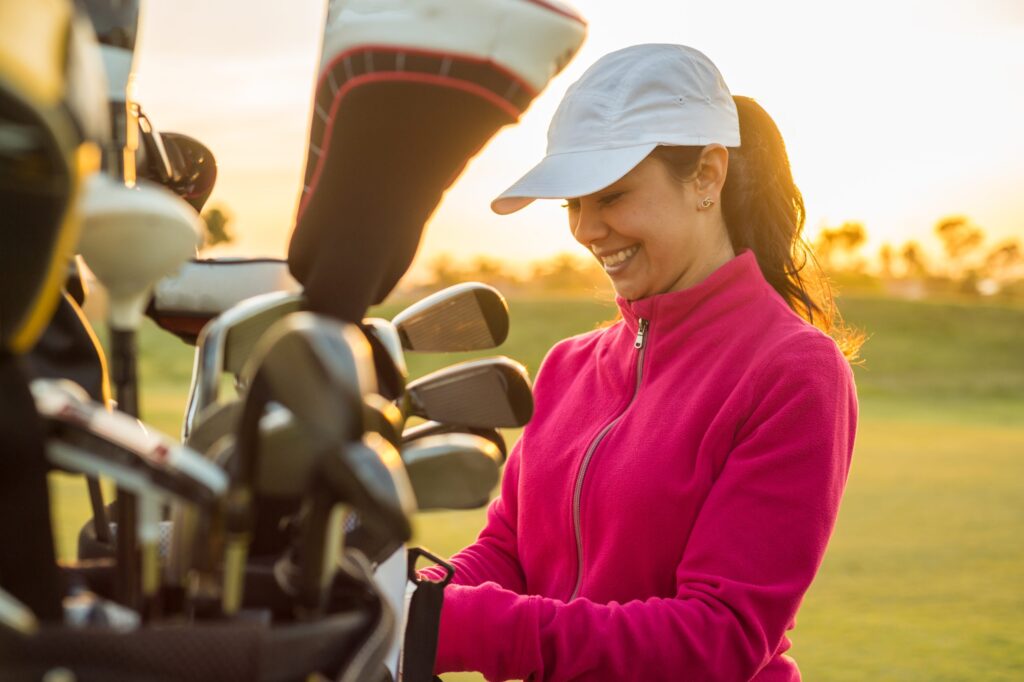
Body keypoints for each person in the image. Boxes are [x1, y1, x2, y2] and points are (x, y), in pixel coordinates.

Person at [418, 43, 860, 681]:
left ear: (707, 175)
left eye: (612, 196)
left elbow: (718, 637)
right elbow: (507, 552)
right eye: (573, 204)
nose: (586, 229)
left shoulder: (793, 371)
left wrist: (453, 626)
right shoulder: (568, 365)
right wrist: (403, 598)